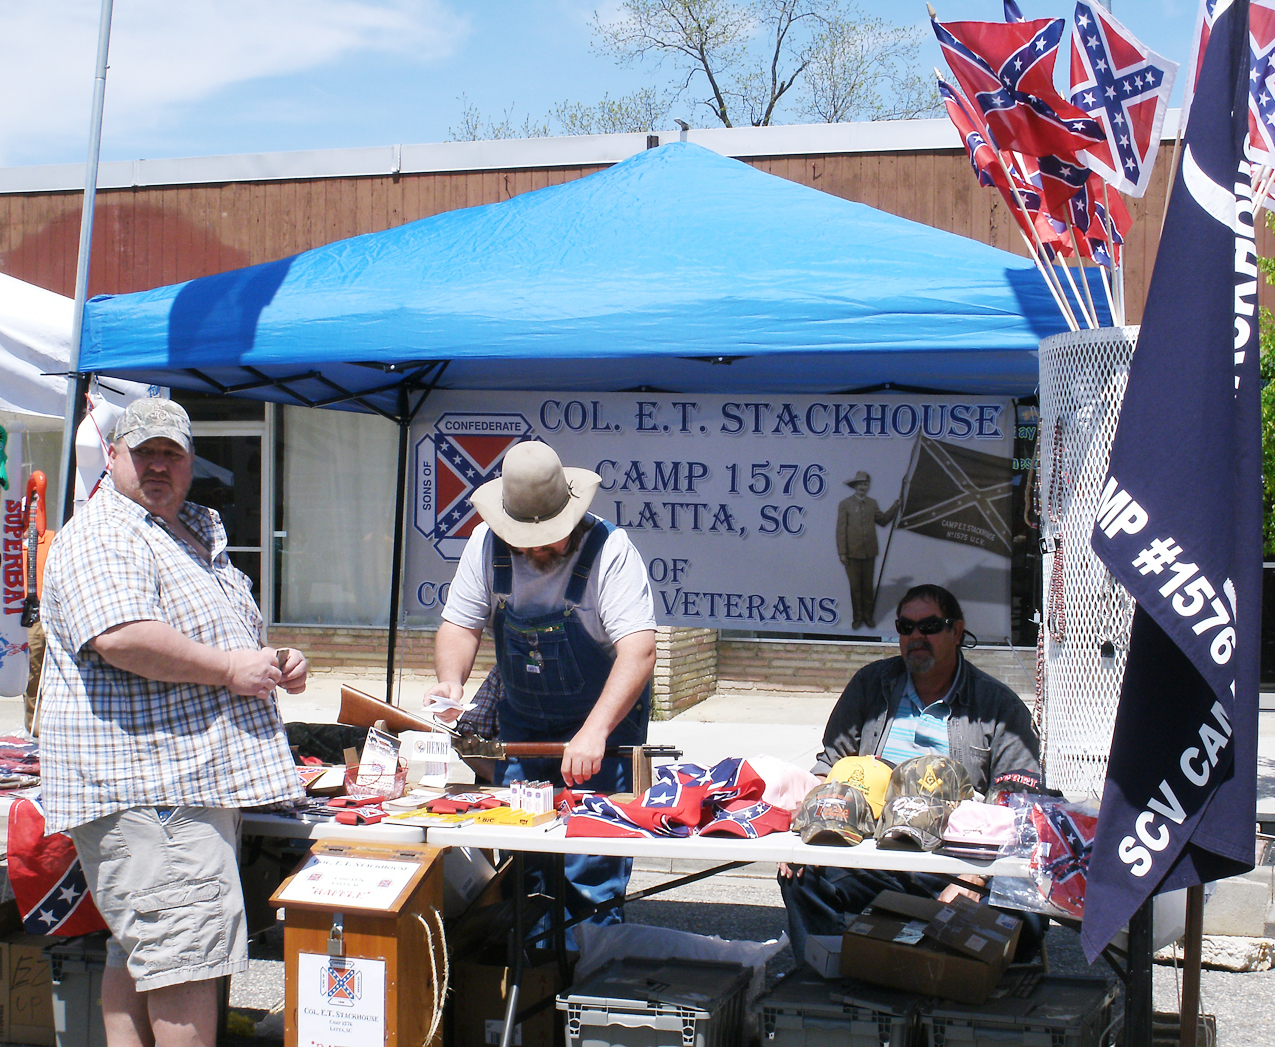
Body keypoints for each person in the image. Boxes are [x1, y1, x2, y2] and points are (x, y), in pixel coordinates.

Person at [39, 398, 307, 1047]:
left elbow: (214, 636)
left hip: (176, 791)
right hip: (153, 793)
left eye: (171, 453)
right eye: (144, 453)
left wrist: (269, 660)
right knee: (185, 964)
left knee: (146, 956)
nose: (158, 465)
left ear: (190, 462)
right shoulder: (107, 531)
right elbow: (122, 635)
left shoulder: (191, 530)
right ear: (112, 457)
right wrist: (229, 668)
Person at [426, 440, 657, 942]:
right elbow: (459, 626)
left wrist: (595, 731)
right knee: (524, 865)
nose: (535, 549)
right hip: (524, 729)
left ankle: (587, 970)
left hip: (602, 734)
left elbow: (639, 651)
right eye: (524, 539)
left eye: (548, 538)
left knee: (590, 869)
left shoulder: (611, 552)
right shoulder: (485, 545)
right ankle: (532, 975)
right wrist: (451, 680)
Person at [779, 583, 1041, 964]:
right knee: (803, 876)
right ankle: (830, 981)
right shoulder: (870, 686)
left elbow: (1021, 804)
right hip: (876, 857)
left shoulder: (998, 706)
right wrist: (810, 831)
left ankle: (945, 990)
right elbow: (828, 767)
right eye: (906, 627)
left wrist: (974, 878)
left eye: (930, 626)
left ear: (956, 631)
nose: (916, 636)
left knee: (1024, 914)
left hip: (956, 863)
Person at [835, 471, 899, 630]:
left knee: (868, 587)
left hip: (869, 552)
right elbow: (841, 530)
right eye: (860, 484)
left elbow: (882, 520)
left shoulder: (872, 503)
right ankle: (857, 618)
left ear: (869, 486)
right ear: (855, 486)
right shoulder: (845, 504)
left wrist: (895, 507)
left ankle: (868, 617)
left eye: (865, 484)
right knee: (855, 587)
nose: (863, 487)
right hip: (851, 554)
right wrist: (842, 552)